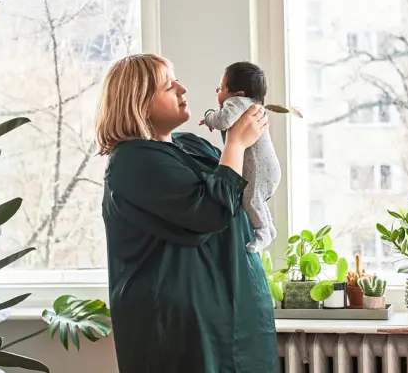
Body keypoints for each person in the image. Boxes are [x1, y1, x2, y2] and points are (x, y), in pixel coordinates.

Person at [96, 54, 278, 372]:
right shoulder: (133, 161)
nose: (182, 89)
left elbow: (240, 191)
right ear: (138, 102)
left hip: (237, 322)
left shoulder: (191, 145)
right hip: (182, 333)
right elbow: (209, 214)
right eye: (169, 86)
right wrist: (235, 143)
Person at [200, 61, 287, 254]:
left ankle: (262, 232)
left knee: (251, 199)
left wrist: (208, 117)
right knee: (257, 199)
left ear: (238, 94)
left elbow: (223, 120)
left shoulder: (237, 103)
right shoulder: (253, 105)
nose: (217, 91)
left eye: (221, 88)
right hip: (267, 168)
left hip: (259, 168)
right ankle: (269, 227)